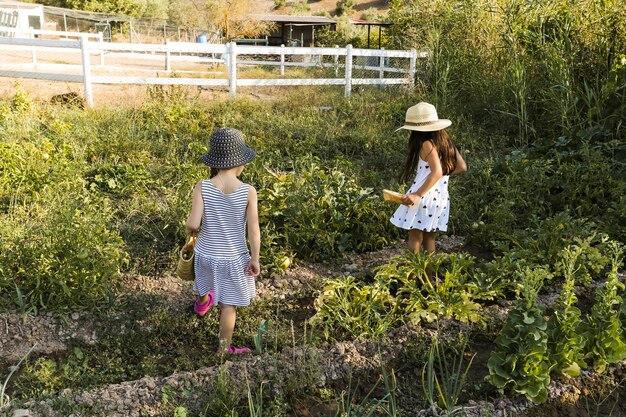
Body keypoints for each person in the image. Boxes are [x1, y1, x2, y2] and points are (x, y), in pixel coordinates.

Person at [185, 127, 261, 354]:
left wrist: (189, 232)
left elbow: (194, 224)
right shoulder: (248, 191)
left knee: (206, 281)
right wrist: (255, 259)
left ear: (215, 162)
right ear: (241, 163)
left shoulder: (203, 186)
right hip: (233, 259)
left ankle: (201, 304)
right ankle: (223, 349)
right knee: (229, 306)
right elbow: (254, 230)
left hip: (206, 254)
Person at [390, 102, 467, 253]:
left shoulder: (427, 144)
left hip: (424, 196)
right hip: (440, 198)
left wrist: (417, 194)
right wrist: (439, 176)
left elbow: (437, 171)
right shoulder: (447, 143)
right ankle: (430, 276)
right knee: (429, 239)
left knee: (415, 238)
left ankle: (414, 275)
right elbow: (462, 167)